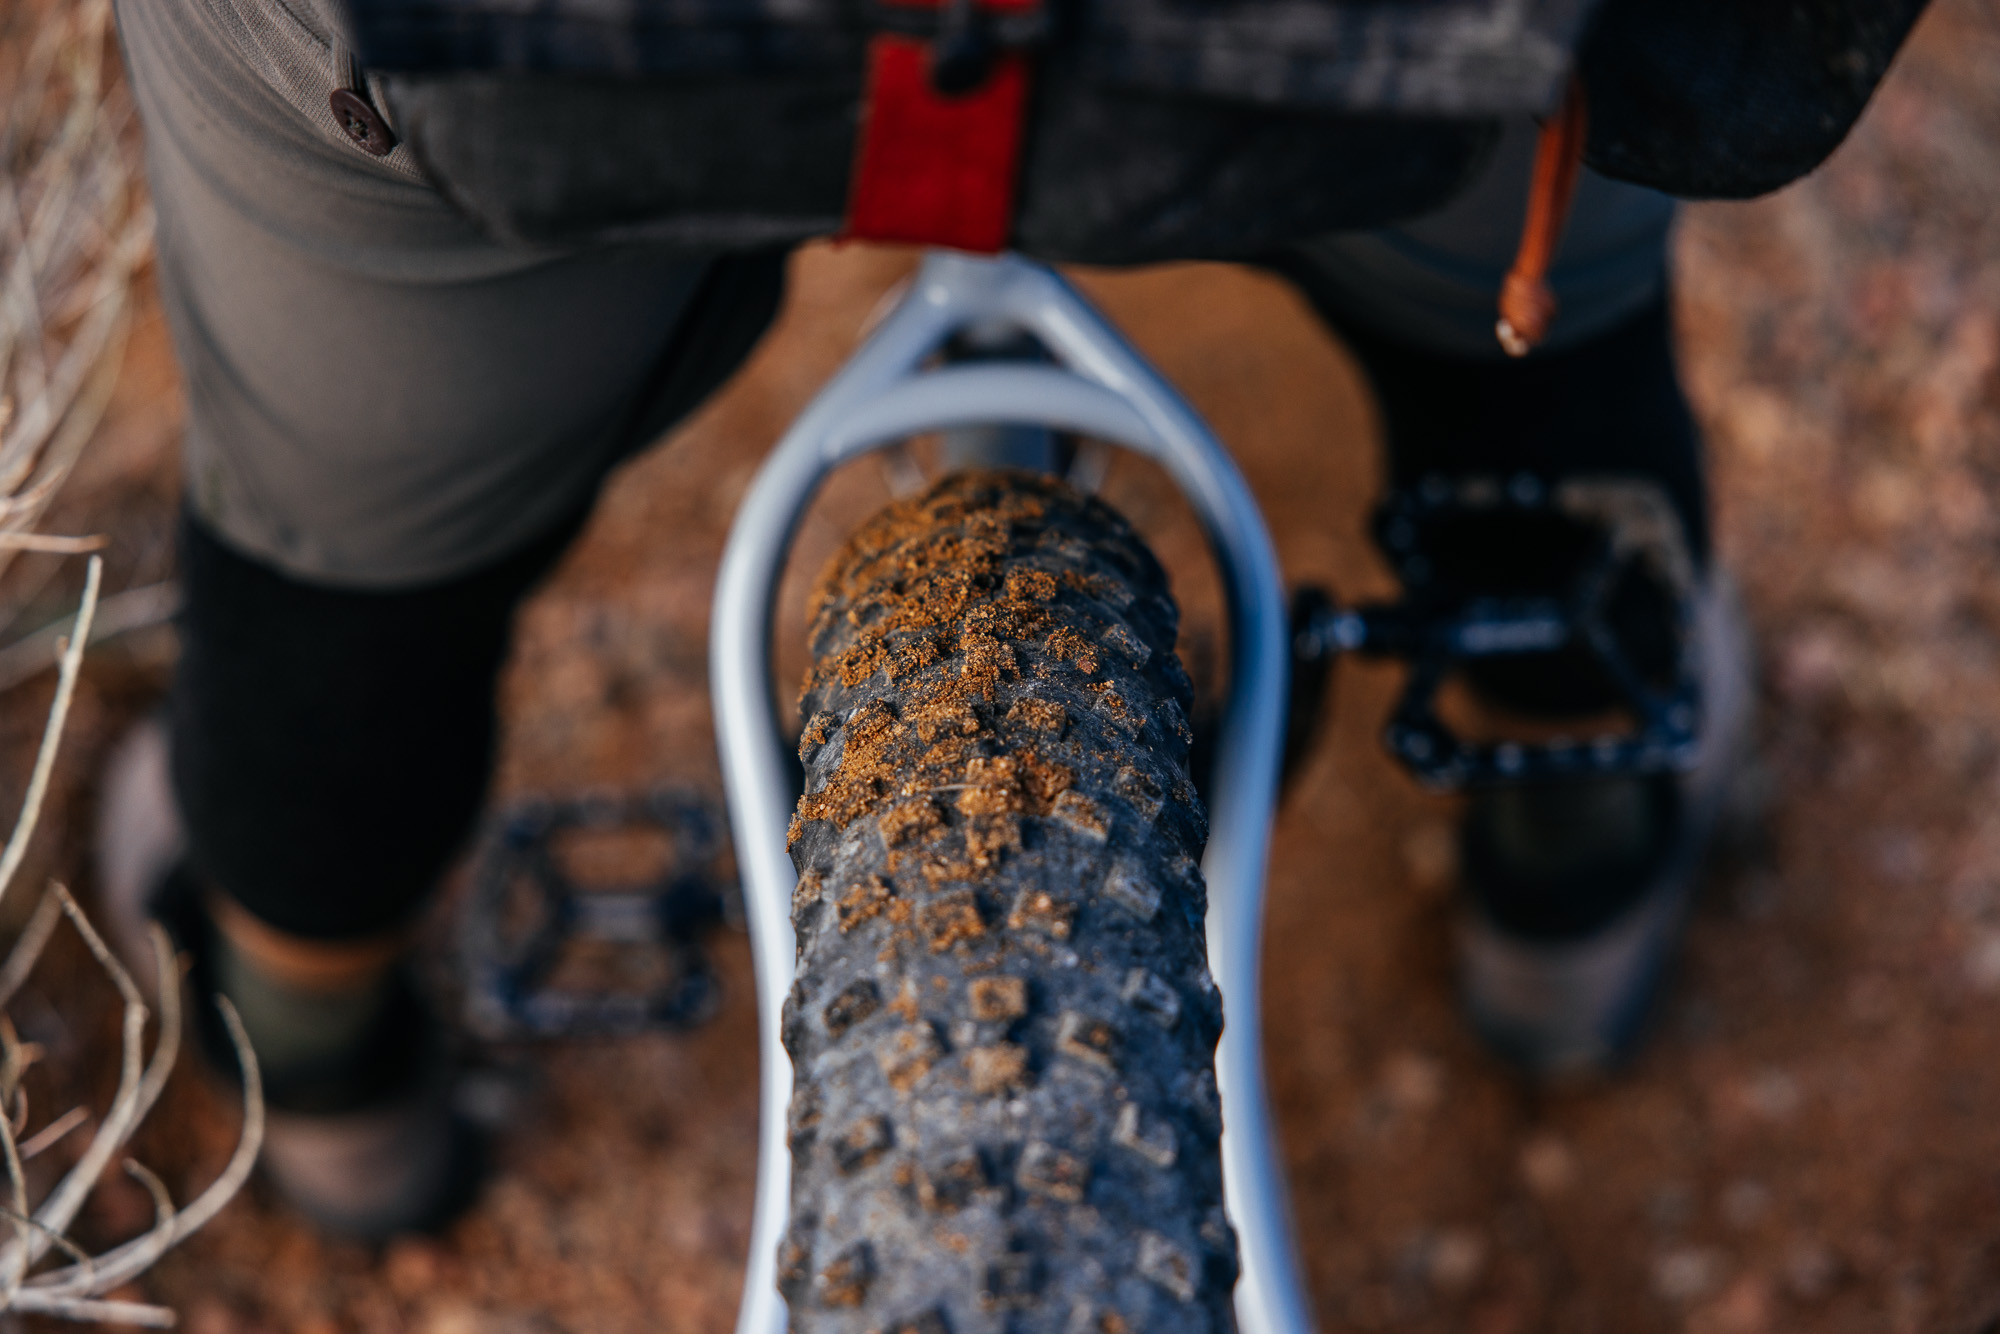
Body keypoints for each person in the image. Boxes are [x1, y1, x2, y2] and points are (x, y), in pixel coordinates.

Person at [98, 0, 1756, 1238]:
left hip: (555, 49)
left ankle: (323, 1072)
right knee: (1538, 319)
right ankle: (1569, 884)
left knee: (352, 541)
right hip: (1349, 46)